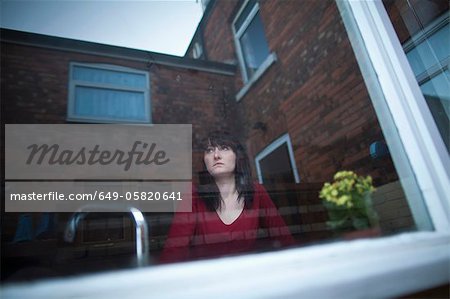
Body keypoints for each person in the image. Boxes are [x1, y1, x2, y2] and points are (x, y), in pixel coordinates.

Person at [159, 131, 295, 263]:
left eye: (224, 148)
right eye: (209, 150)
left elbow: (285, 241)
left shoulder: (255, 191)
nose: (216, 155)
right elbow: (173, 253)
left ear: (237, 156)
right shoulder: (193, 195)